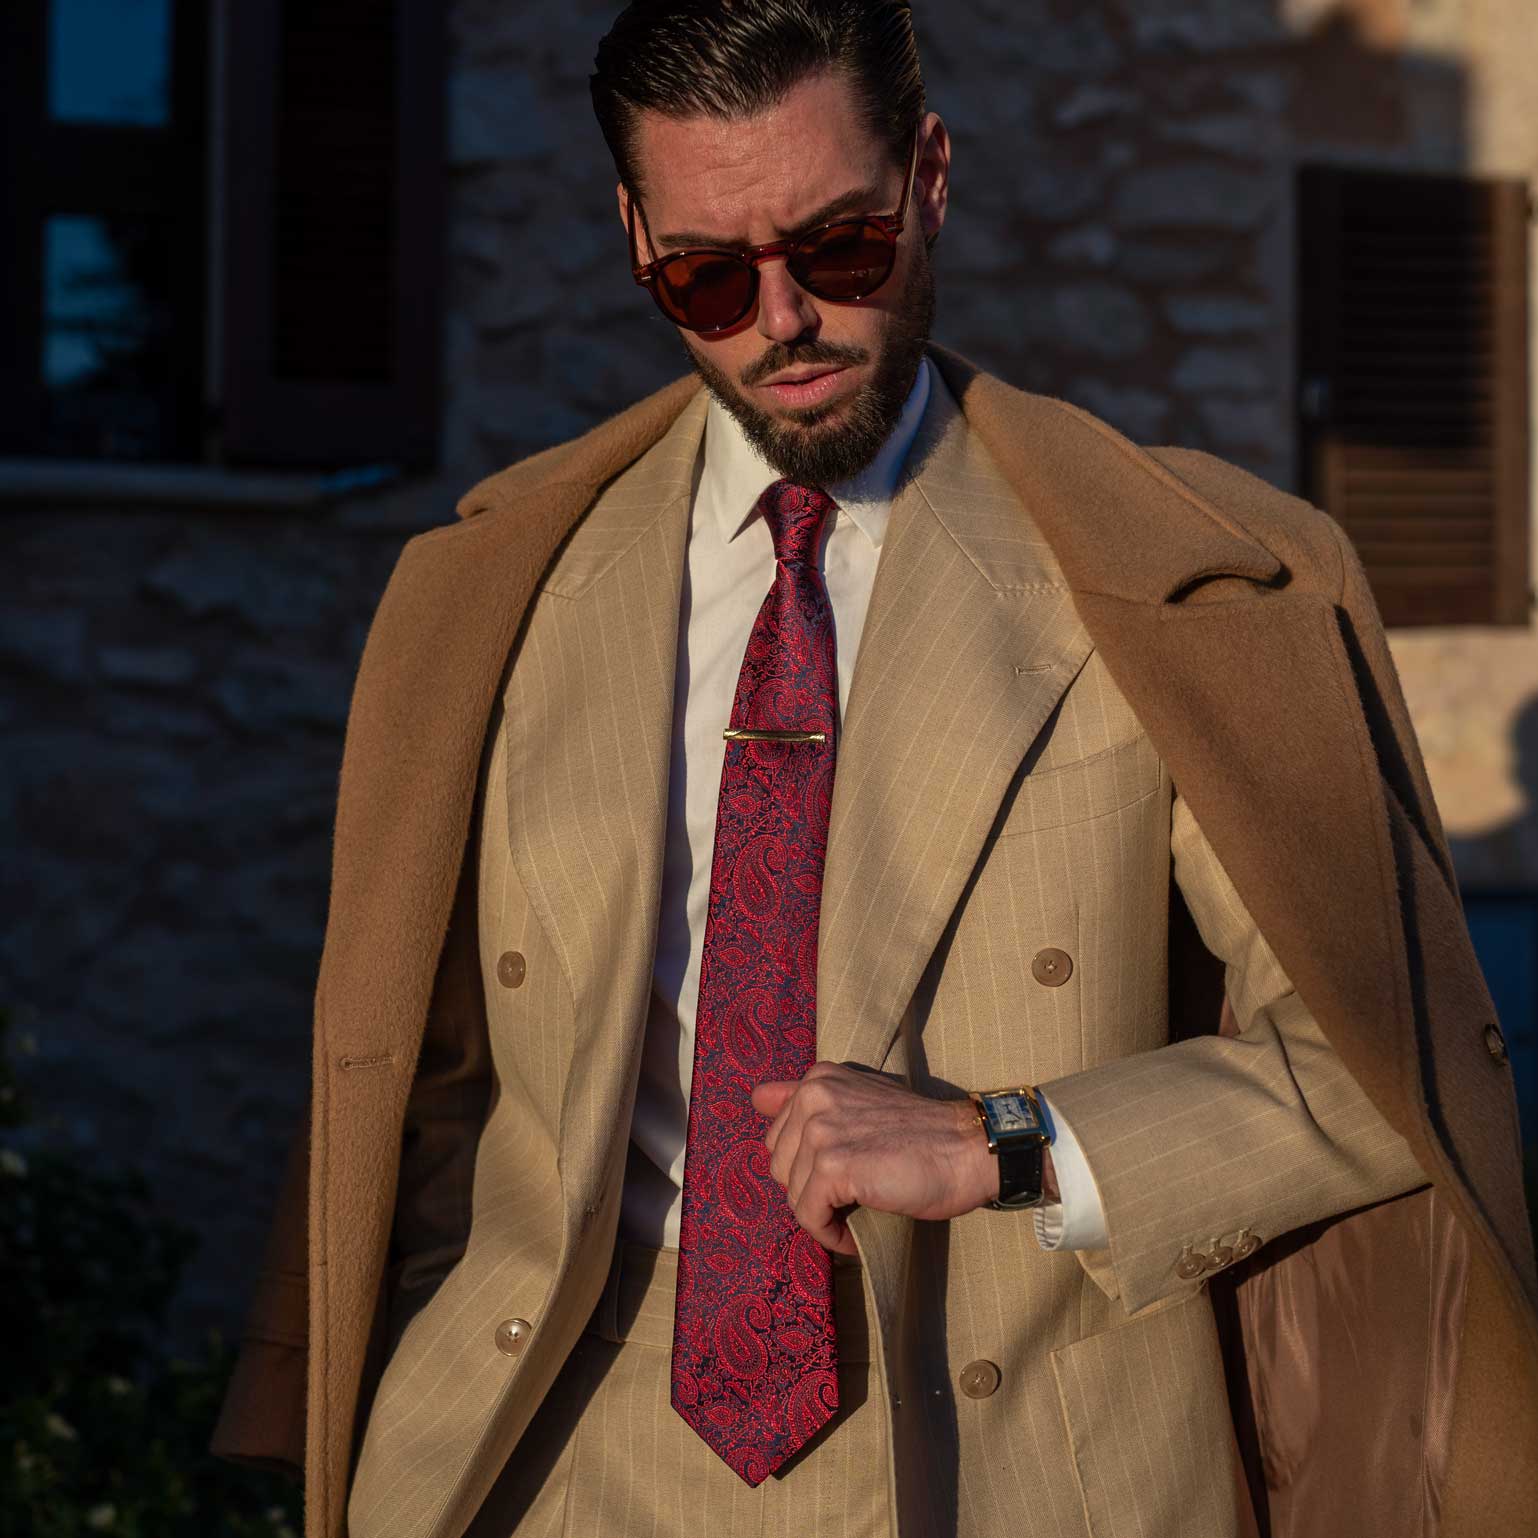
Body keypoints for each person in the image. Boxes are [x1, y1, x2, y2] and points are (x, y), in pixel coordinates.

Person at [211, 4, 1538, 1535]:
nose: (780, 320)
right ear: (634, 234)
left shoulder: (1186, 583)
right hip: (549, 1453)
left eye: (837, 248)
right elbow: (426, 1102)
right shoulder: (493, 594)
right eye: (706, 274)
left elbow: (1391, 1071)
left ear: (928, 174)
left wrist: (1008, 1139)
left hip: (1014, 1458)